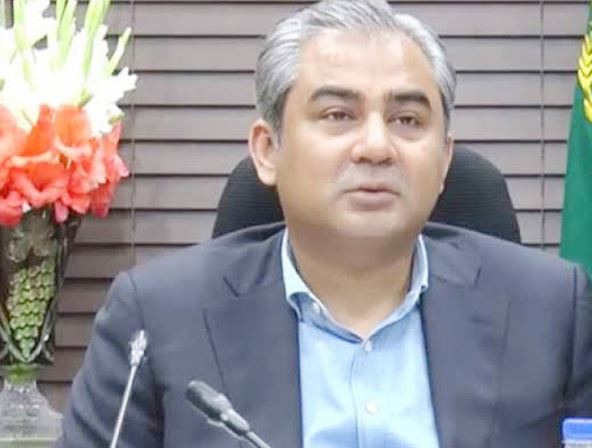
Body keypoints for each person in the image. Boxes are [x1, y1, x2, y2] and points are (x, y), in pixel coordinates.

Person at [55, 1, 592, 447]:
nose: (377, 146)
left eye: (407, 120)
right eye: (338, 115)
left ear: (445, 159)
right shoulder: (157, 318)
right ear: (268, 150)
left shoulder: (552, 311)